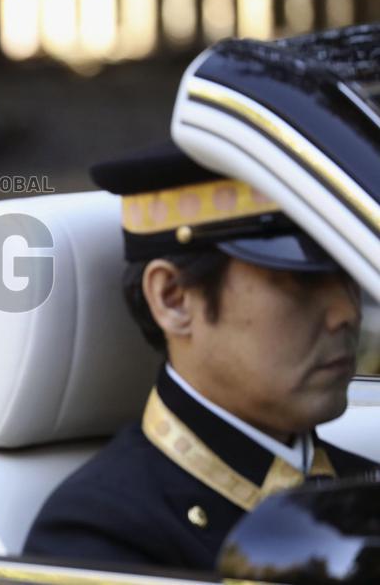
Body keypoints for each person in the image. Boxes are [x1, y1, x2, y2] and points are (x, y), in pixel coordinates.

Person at [23, 140, 378, 570]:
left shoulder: (361, 486)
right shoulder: (100, 536)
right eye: (299, 282)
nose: (347, 313)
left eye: (348, 275)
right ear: (173, 300)